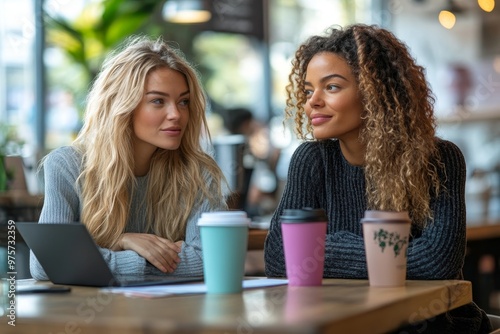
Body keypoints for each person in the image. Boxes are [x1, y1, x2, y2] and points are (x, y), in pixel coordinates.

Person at [264, 24, 492, 333]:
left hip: (429, 324)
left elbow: (437, 264)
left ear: (375, 94)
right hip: (342, 319)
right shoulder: (311, 160)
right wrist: (388, 254)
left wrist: (322, 248)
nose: (312, 102)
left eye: (331, 87)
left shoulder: (439, 159)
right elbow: (279, 257)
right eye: (307, 90)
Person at [30, 36, 227, 280]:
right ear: (121, 105)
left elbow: (213, 259)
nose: (176, 114)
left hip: (173, 315)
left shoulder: (198, 171)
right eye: (158, 101)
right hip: (90, 315)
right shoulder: (68, 165)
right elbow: (47, 262)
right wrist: (121, 242)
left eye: (183, 101)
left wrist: (98, 255)